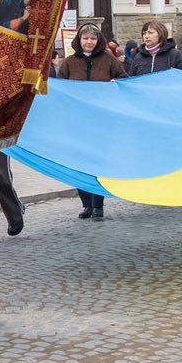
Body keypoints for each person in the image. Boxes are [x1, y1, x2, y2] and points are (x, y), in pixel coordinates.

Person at [55, 19, 123, 220]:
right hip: (76, 121)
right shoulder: (69, 62)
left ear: (98, 40)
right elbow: (60, 88)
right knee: (79, 164)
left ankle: (98, 205)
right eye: (86, 38)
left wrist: (116, 83)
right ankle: (86, 204)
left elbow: (124, 79)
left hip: (102, 121)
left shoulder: (108, 60)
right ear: (79, 40)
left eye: (93, 38)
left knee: (97, 163)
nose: (89, 42)